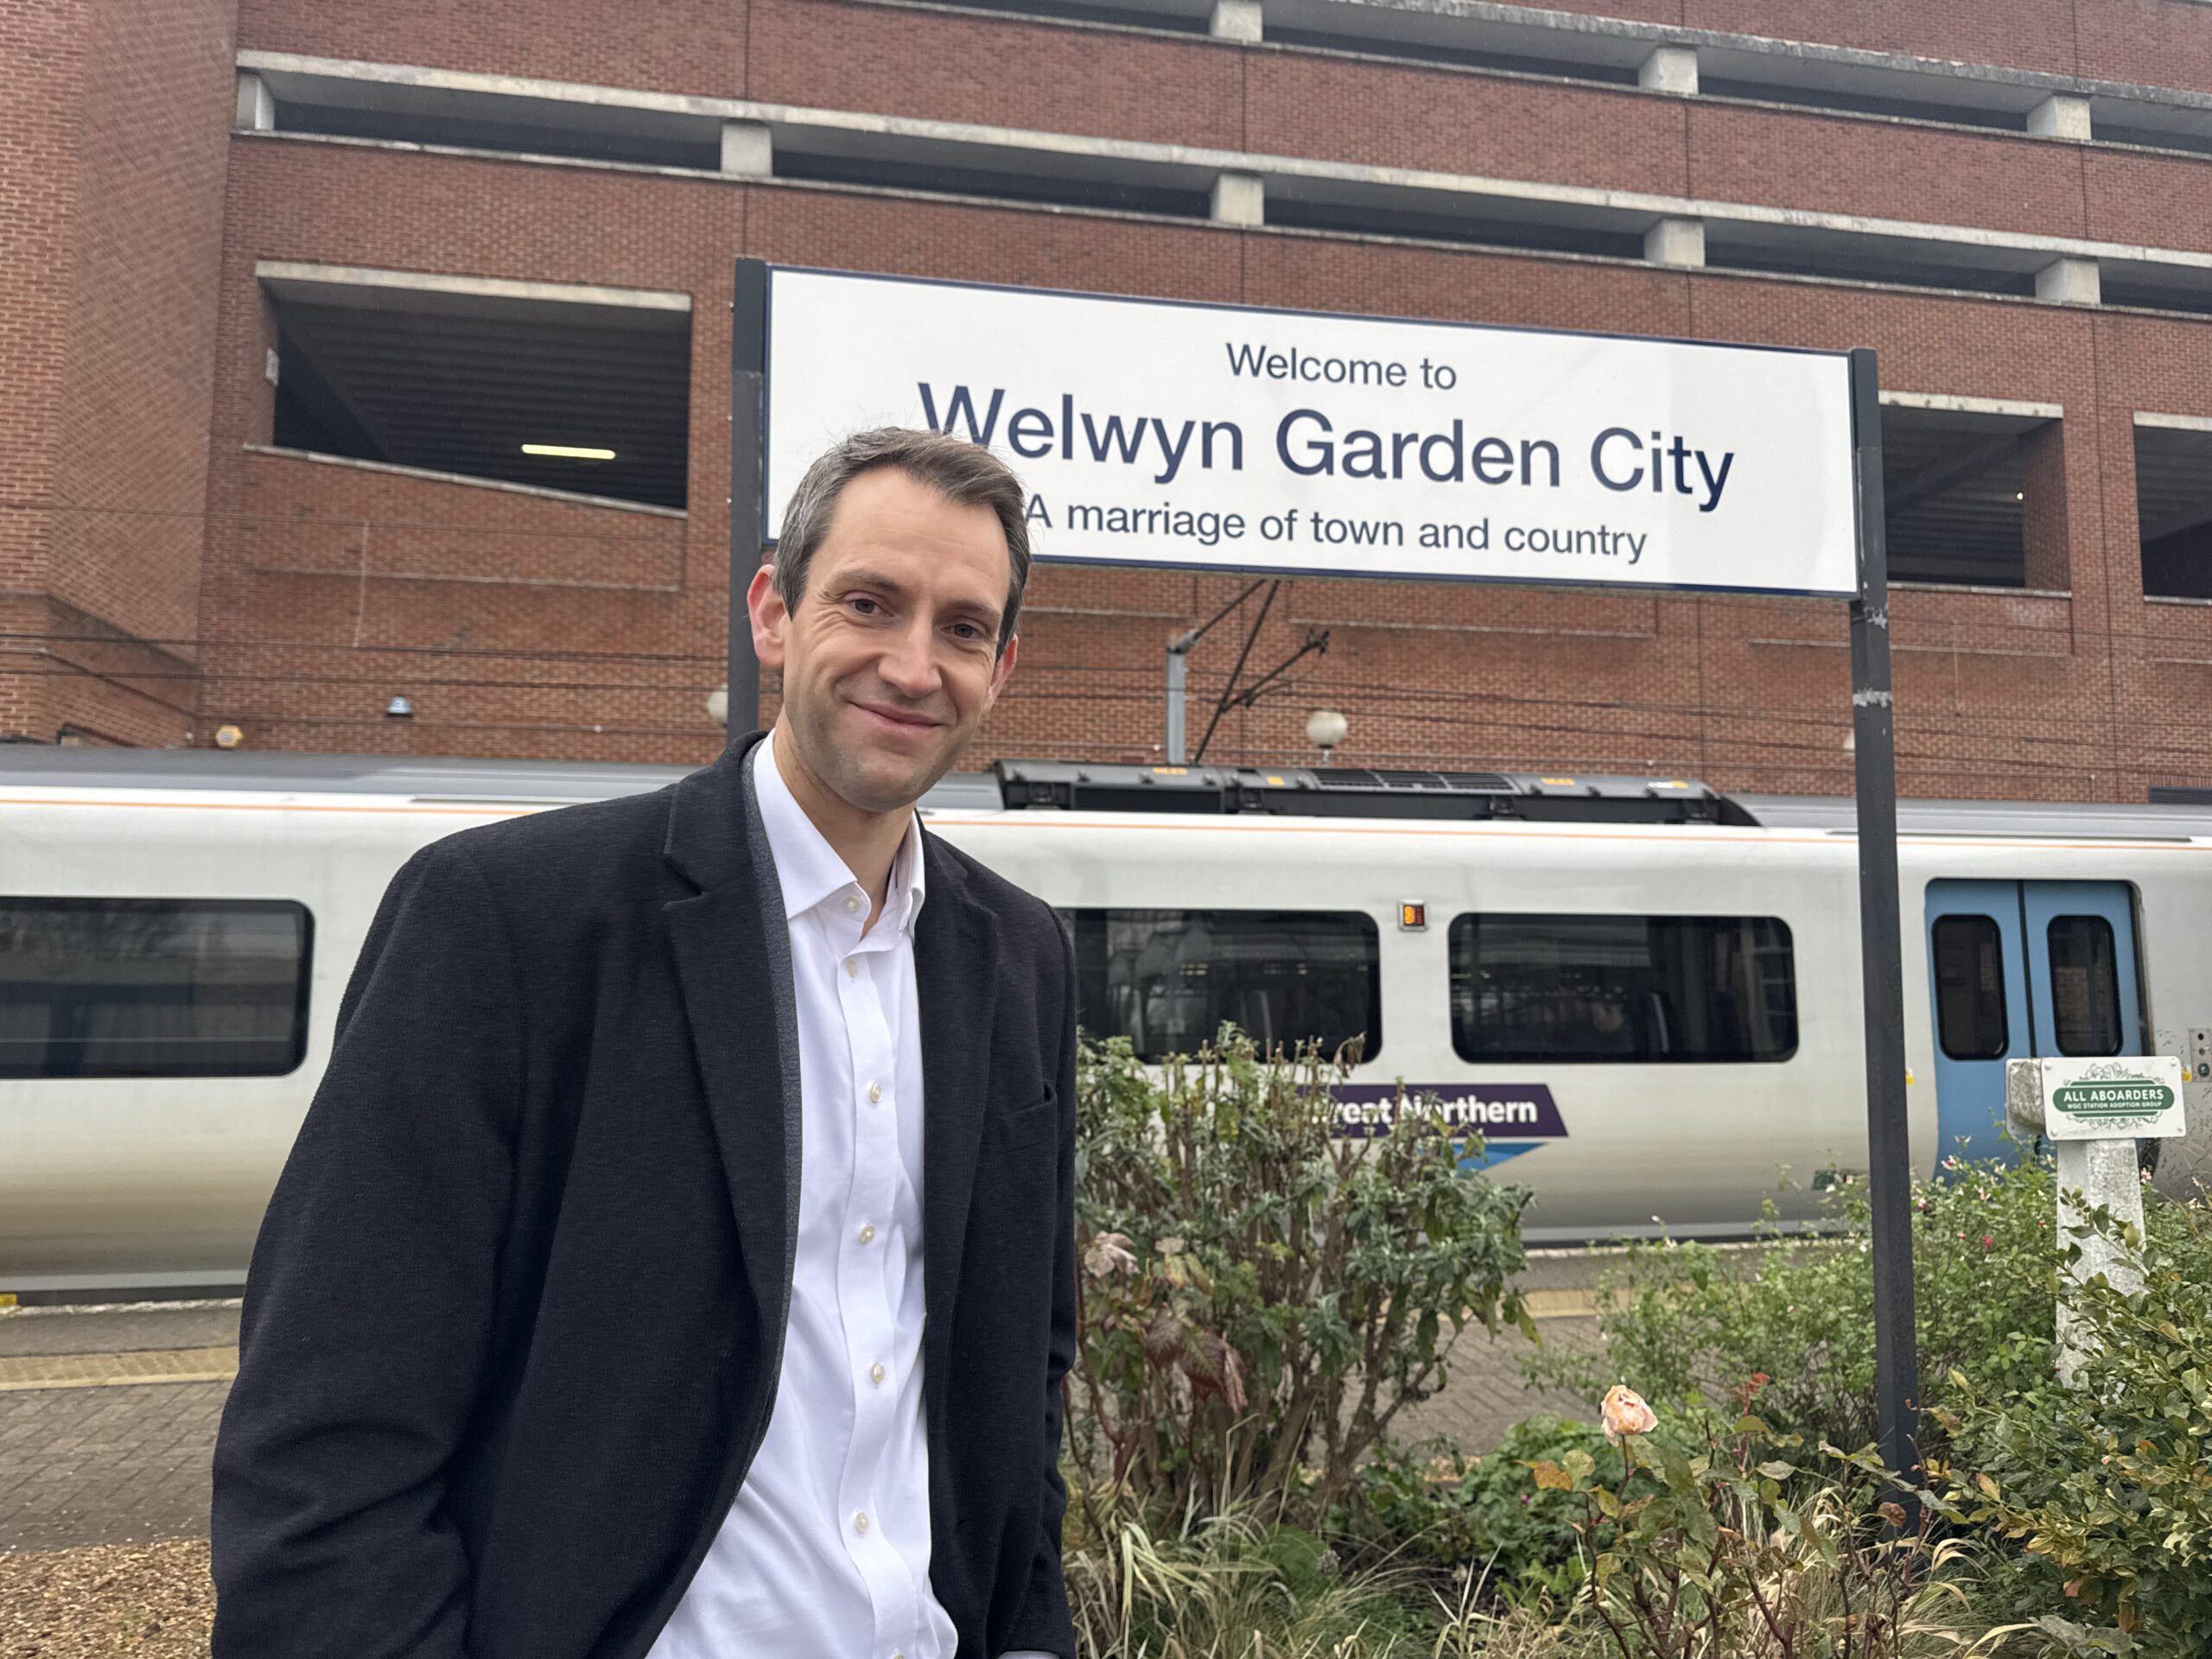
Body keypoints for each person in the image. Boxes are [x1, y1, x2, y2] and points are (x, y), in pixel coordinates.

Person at [210, 428, 1078, 1659]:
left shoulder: (1020, 956)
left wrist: (1032, 1627)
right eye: (869, 603)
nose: (911, 663)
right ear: (773, 613)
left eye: (963, 627)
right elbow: (324, 1434)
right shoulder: (507, 920)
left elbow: (1025, 1362)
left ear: (1001, 667)